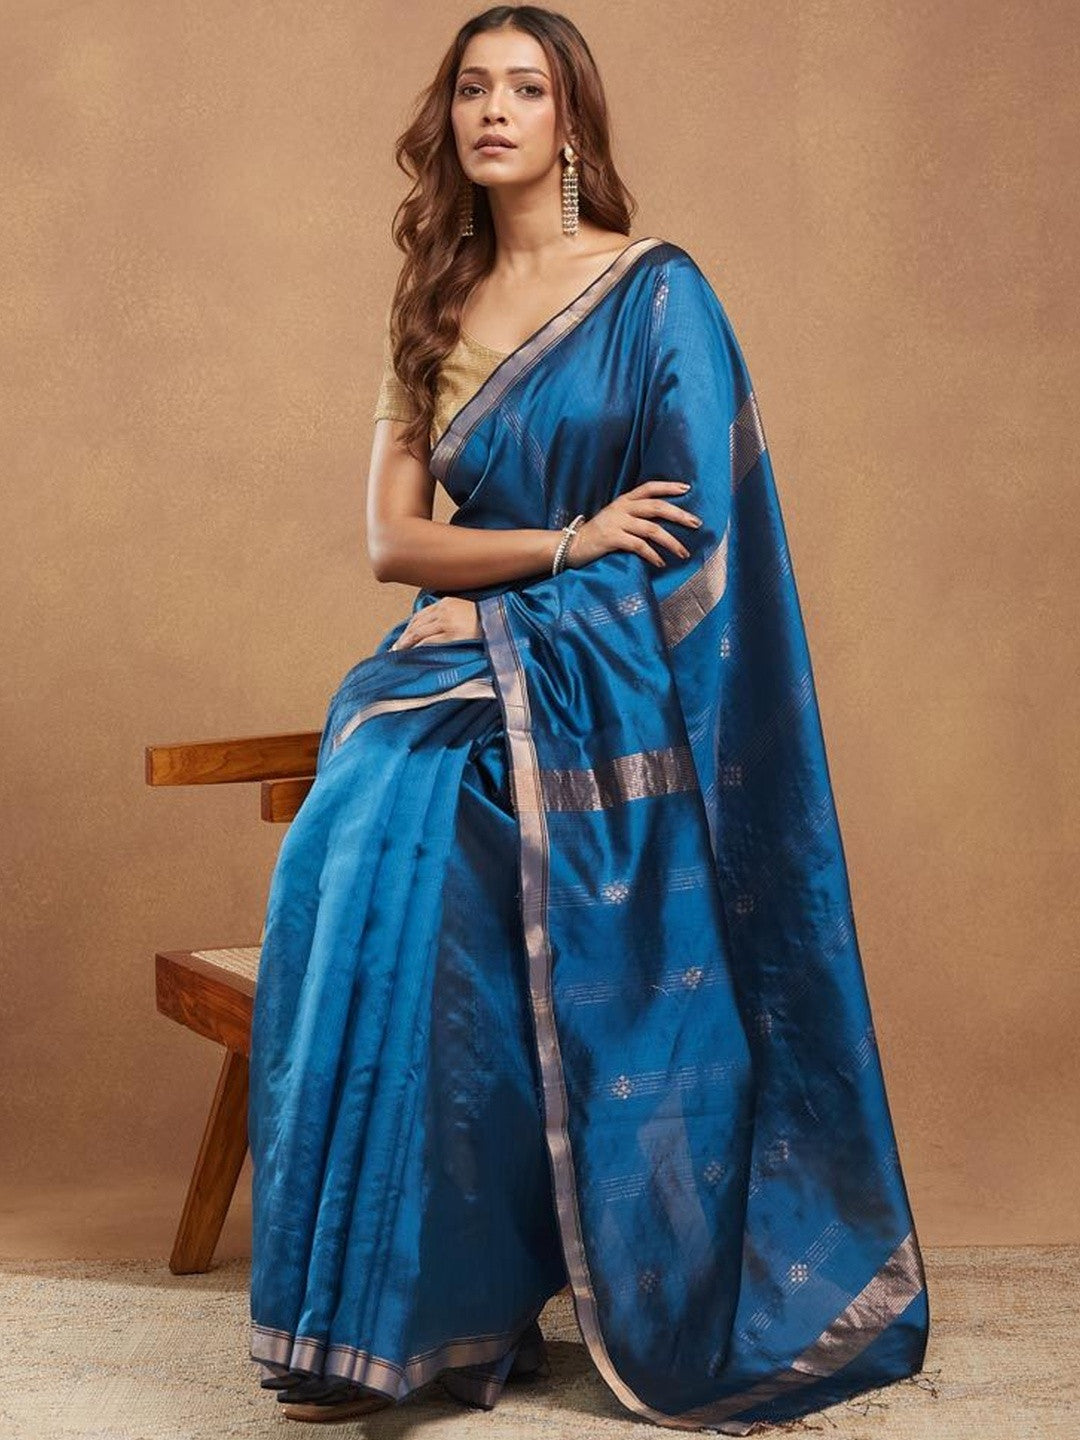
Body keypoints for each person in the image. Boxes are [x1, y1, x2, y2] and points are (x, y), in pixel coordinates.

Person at [247, 5, 930, 1432]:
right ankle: (369, 1319)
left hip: (604, 704)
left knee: (436, 855)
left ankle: (451, 1308)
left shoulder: (655, 294)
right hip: (448, 670)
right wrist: (558, 550)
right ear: (446, 119)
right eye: (472, 88)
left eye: (527, 88)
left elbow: (688, 550)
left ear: (572, 122)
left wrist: (517, 600)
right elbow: (392, 545)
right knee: (349, 837)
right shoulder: (429, 309)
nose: (494, 111)